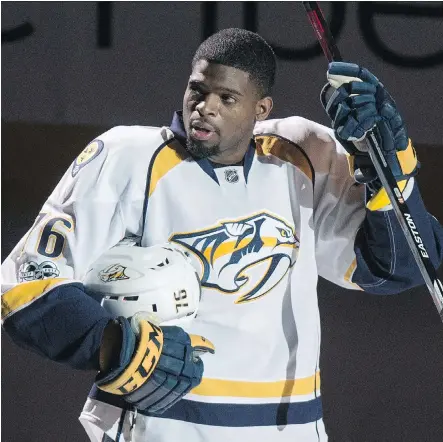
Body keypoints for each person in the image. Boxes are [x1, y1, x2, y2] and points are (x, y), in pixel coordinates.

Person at [2, 28, 442, 442]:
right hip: (164, 426)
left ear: (261, 109)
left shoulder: (301, 158)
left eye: (227, 98)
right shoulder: (127, 158)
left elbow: (394, 269)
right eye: (198, 90)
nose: (204, 107)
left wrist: (391, 172)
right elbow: (23, 284)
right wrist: (111, 344)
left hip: (292, 428)